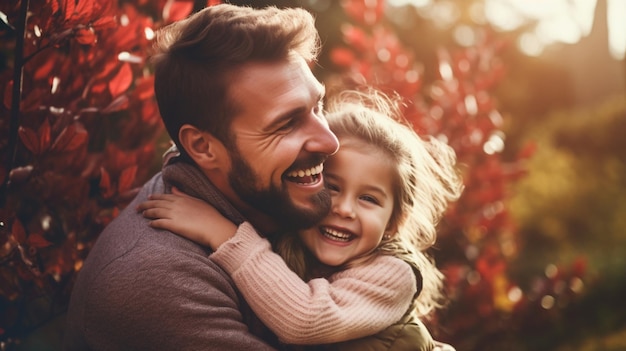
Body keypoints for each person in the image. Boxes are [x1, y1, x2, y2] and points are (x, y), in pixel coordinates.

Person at [63, 4, 340, 350]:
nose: (330, 142)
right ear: (203, 147)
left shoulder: (270, 194)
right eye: (286, 124)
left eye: (318, 107)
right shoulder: (157, 282)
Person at [138, 89, 464, 350]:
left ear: (395, 222)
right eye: (332, 187)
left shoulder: (392, 275)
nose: (345, 209)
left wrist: (223, 234)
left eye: (368, 199)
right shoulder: (289, 237)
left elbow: (305, 319)